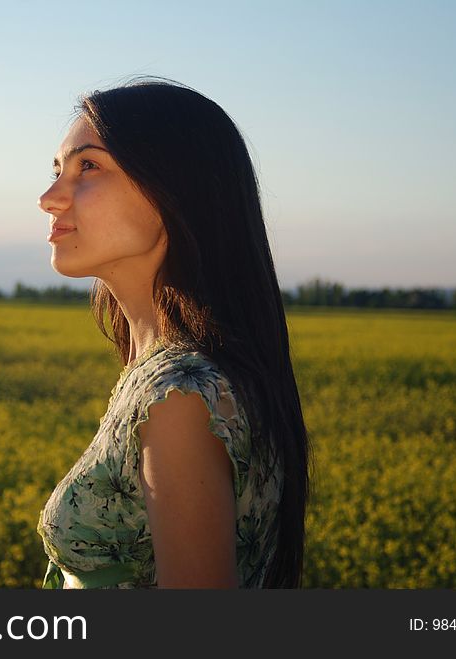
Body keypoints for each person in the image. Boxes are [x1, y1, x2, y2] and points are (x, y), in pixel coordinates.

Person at [35, 77, 313, 588]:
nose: (49, 198)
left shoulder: (178, 397)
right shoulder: (175, 375)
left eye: (88, 166)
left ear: (174, 189)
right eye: (57, 171)